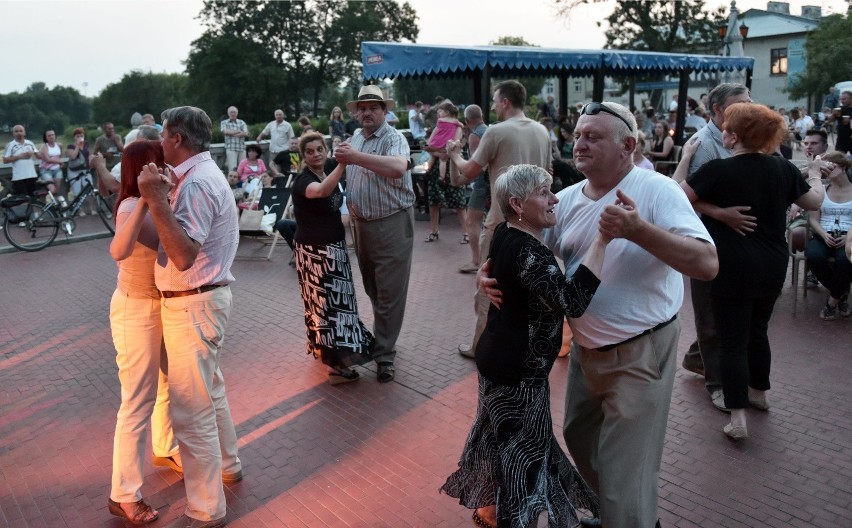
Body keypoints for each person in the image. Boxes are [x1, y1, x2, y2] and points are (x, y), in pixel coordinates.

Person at [482, 102, 718, 527]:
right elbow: (521, 245)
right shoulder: (567, 199)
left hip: (640, 351)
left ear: (628, 145)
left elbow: (706, 263)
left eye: (594, 136)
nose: (580, 143)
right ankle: (618, 515)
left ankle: (628, 516)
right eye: (578, 135)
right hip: (586, 354)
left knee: (625, 471)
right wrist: (489, 274)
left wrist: (638, 230)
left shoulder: (657, 190)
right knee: (580, 438)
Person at [441, 164, 607, 528]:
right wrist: (603, 241)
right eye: (545, 192)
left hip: (499, 360)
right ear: (517, 203)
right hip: (517, 373)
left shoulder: (505, 232)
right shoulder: (529, 251)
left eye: (553, 190)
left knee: (506, 444)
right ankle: (515, 520)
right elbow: (572, 301)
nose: (554, 199)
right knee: (524, 460)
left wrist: (485, 276)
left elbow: (494, 265)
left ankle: (488, 511)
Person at [679, 103, 825, 440]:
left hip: (731, 263)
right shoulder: (782, 168)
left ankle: (738, 418)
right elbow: (814, 202)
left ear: (734, 135)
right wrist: (815, 173)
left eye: (728, 128)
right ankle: (759, 393)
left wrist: (716, 211)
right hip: (773, 261)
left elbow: (680, 197)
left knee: (732, 340)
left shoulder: (718, 170)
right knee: (758, 330)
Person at [138, 106, 242, 528]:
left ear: (177, 139)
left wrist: (155, 199)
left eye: (163, 135)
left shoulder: (196, 182)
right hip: (200, 300)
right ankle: (229, 465)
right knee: (209, 392)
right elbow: (167, 238)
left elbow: (181, 255)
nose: (160, 142)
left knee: (191, 409)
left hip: (194, 301)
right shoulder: (194, 176)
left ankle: (205, 508)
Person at [447, 80, 552, 360]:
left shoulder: (496, 132)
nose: (493, 106)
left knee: (488, 284)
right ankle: (526, 343)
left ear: (505, 101)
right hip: (534, 225)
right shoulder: (542, 131)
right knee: (527, 286)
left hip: (501, 223)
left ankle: (478, 344)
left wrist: (454, 154)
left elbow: (468, 171)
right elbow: (549, 173)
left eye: (495, 100)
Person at [106, 140, 180, 526]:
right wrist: (152, 200)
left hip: (160, 305)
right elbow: (120, 249)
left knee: (168, 386)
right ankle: (123, 493)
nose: (168, 167)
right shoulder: (131, 206)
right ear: (145, 167)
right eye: (161, 162)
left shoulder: (154, 200)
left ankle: (165, 447)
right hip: (136, 310)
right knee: (136, 401)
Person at [672, 82, 752, 412]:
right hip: (707, 240)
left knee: (726, 313)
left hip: (735, 241)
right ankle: (716, 383)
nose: (748, 108)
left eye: (749, 102)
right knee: (709, 315)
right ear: (717, 111)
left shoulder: (743, 136)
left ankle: (697, 357)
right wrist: (720, 212)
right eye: (739, 104)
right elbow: (682, 197)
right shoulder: (703, 145)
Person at [334, 85, 414, 384]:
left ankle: (383, 354)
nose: (367, 112)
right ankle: (385, 337)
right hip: (361, 224)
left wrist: (354, 158)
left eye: (374, 107)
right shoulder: (356, 138)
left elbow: (397, 168)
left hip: (391, 222)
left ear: (384, 111)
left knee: (390, 293)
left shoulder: (394, 138)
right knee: (374, 289)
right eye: (362, 108)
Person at [290, 131, 375, 384]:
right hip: (316, 252)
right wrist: (342, 164)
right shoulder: (303, 180)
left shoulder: (326, 168)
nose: (315, 154)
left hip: (333, 247)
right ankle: (336, 365)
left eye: (319, 149)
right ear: (303, 156)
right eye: (310, 151)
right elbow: (321, 192)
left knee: (339, 304)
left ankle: (331, 353)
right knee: (329, 306)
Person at [804, 151, 852, 320]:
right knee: (813, 255)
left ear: (844, 167)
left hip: (848, 236)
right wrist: (824, 235)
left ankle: (831, 302)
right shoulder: (821, 190)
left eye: (832, 166)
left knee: (845, 259)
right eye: (825, 167)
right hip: (824, 234)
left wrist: (848, 238)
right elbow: (814, 219)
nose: (827, 170)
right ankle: (841, 294)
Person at [423, 100, 466, 243]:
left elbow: (453, 148)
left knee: (458, 202)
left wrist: (439, 152)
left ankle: (466, 233)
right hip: (437, 167)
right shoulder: (439, 126)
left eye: (440, 111)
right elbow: (428, 146)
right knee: (433, 201)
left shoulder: (458, 127)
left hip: (452, 168)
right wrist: (440, 153)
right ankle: (434, 231)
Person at [458, 104, 488, 274]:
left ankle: (476, 260)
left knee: (472, 221)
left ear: (467, 121)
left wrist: (457, 160)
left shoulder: (475, 136)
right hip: (493, 183)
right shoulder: (489, 131)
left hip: (481, 183)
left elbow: (476, 165)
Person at [2, 124, 38, 196]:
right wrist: (19, 156)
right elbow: (5, 160)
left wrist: (33, 153)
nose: (19, 133)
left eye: (21, 131)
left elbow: (39, 155)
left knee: (33, 199)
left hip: (31, 175)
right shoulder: (10, 145)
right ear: (13, 134)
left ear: (24, 132)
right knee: (22, 200)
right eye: (16, 131)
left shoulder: (30, 143)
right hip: (19, 177)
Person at [256, 109, 294, 176]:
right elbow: (264, 132)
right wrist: (259, 137)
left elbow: (291, 137)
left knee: (283, 169)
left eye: (280, 115)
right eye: (277, 115)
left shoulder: (287, 125)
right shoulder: (271, 124)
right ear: (275, 116)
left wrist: (291, 147)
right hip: (273, 151)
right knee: (273, 169)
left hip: (283, 151)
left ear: (283, 116)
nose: (278, 116)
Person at [65, 127, 93, 215]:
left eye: (82, 135)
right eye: (78, 136)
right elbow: (72, 156)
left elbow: (90, 155)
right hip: (74, 172)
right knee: (76, 192)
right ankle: (80, 210)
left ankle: (92, 209)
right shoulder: (70, 146)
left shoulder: (86, 145)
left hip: (85, 170)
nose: (80, 137)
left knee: (89, 190)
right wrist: (77, 145)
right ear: (74, 137)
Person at [38, 130, 63, 199]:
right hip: (46, 170)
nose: (51, 137)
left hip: (57, 170)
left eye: (53, 135)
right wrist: (59, 162)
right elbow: (47, 159)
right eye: (49, 135)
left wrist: (60, 162)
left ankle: (55, 206)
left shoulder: (59, 145)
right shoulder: (44, 146)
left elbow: (60, 156)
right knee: (52, 190)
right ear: (46, 137)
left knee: (57, 191)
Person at [221, 106, 248, 172]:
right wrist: (239, 132)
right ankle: (233, 182)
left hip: (242, 149)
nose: (233, 113)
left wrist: (231, 132)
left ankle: (241, 182)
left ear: (237, 113)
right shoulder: (224, 122)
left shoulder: (241, 122)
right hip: (231, 149)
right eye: (231, 112)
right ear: (228, 113)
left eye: (234, 112)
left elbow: (245, 133)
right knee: (232, 169)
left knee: (243, 169)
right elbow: (225, 132)